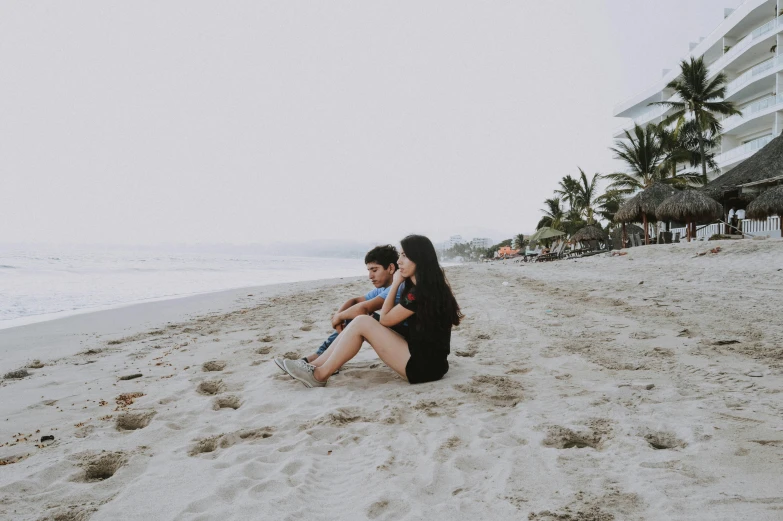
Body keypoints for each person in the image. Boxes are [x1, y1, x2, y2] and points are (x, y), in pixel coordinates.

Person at [279, 234, 462, 387]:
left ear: (419, 258)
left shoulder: (420, 292)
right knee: (364, 319)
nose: (399, 261)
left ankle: (319, 375)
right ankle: (315, 366)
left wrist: (397, 282)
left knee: (364, 321)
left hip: (424, 367)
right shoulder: (427, 287)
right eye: (400, 255)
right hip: (429, 360)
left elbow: (386, 320)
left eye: (404, 255)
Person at [275, 245, 402, 373]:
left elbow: (363, 308)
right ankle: (319, 359)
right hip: (394, 333)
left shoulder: (397, 288)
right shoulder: (384, 288)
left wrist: (338, 318)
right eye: (368, 270)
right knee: (353, 315)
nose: (370, 276)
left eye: (374, 270)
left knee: (359, 317)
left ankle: (318, 360)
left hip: (402, 341)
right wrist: (338, 315)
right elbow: (355, 301)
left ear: (391, 268)